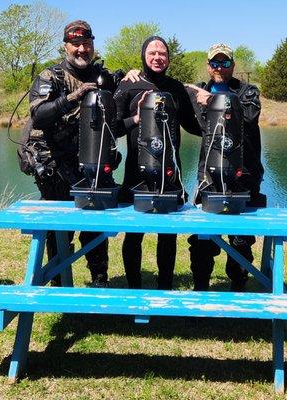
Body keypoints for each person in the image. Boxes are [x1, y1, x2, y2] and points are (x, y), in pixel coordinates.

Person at [25, 20, 125, 287]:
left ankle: (99, 282)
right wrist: (72, 97)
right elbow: (38, 115)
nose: (82, 49)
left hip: (93, 163)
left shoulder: (104, 78)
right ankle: (58, 282)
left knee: (95, 227)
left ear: (93, 44)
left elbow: (113, 123)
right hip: (55, 165)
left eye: (87, 44)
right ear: (66, 46)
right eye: (76, 44)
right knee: (59, 230)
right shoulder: (51, 76)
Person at [114, 36, 202, 290]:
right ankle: (134, 287)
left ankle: (165, 286)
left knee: (168, 234)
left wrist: (221, 124)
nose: (157, 57)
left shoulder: (176, 88)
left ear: (168, 59)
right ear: (143, 55)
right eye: (152, 52)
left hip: (170, 174)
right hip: (136, 173)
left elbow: (191, 125)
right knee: (134, 234)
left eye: (162, 53)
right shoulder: (129, 85)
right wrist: (136, 118)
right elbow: (114, 128)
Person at [186, 43, 266, 292]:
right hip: (208, 174)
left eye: (225, 62)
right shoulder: (199, 90)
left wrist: (211, 101)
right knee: (201, 236)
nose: (220, 67)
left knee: (241, 239)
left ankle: (238, 286)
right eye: (215, 63)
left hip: (245, 173)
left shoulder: (247, 91)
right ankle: (201, 288)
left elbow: (249, 117)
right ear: (208, 66)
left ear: (233, 65)